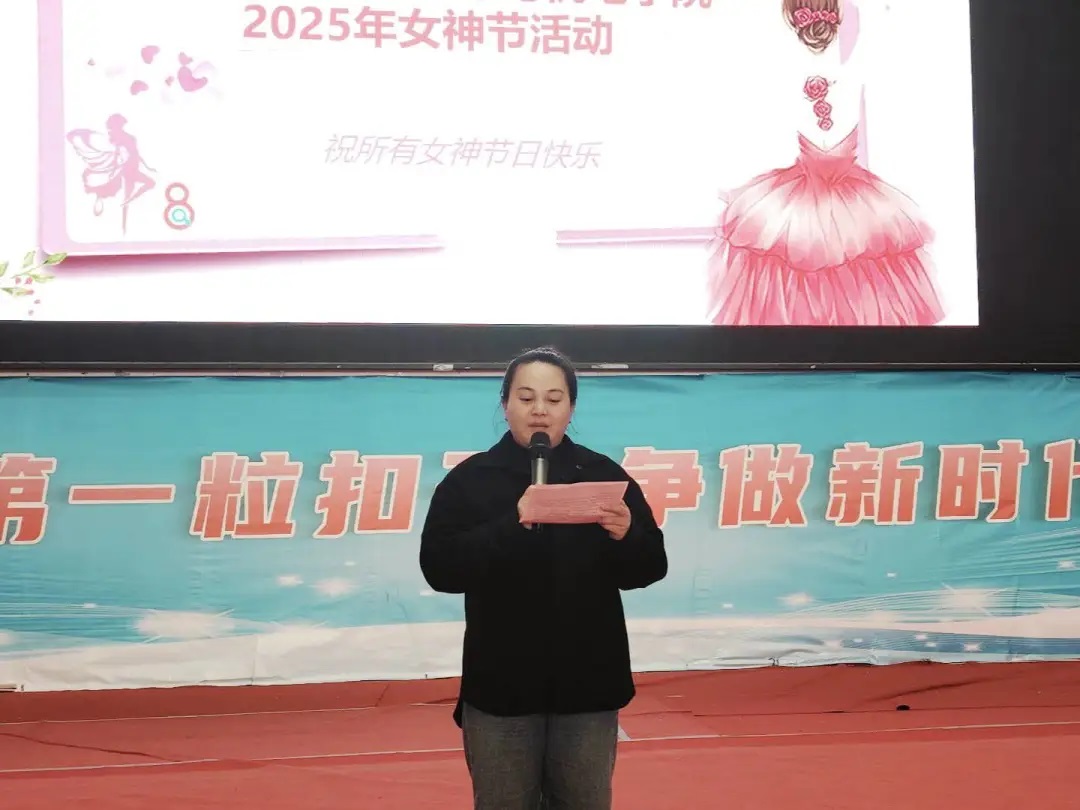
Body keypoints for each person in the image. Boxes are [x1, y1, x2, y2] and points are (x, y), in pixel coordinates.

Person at [419, 347, 668, 809]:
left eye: (554, 399)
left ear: (571, 409)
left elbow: (651, 566)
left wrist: (627, 534)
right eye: (526, 397)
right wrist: (510, 524)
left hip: (588, 684)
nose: (540, 410)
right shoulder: (469, 481)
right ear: (505, 405)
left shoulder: (602, 475)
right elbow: (439, 568)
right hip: (501, 686)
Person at [705, 0, 946, 326]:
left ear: (792, 20)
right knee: (859, 265)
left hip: (801, 196)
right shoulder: (856, 72)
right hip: (854, 196)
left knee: (792, 260)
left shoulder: (784, 75)